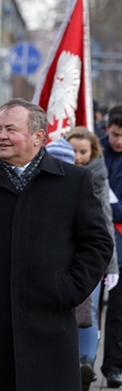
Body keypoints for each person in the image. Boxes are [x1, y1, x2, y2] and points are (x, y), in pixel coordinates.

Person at [0, 99, 113, 391]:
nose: (0, 136)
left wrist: (69, 289)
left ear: (38, 137)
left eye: (11, 129)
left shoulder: (73, 181)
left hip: (51, 326)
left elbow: (98, 243)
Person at [61, 127, 119, 390]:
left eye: (83, 152)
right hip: (62, 255)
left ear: (93, 153)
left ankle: (85, 363)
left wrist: (112, 265)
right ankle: (67, 361)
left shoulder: (97, 179)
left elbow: (106, 223)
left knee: (89, 313)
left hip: (88, 258)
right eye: (73, 151)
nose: (78, 157)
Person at [101, 106, 122, 388]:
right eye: (116, 134)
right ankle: (83, 361)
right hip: (93, 241)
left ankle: (113, 366)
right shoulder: (95, 151)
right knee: (86, 311)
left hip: (120, 246)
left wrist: (111, 206)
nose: (119, 140)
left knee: (117, 311)